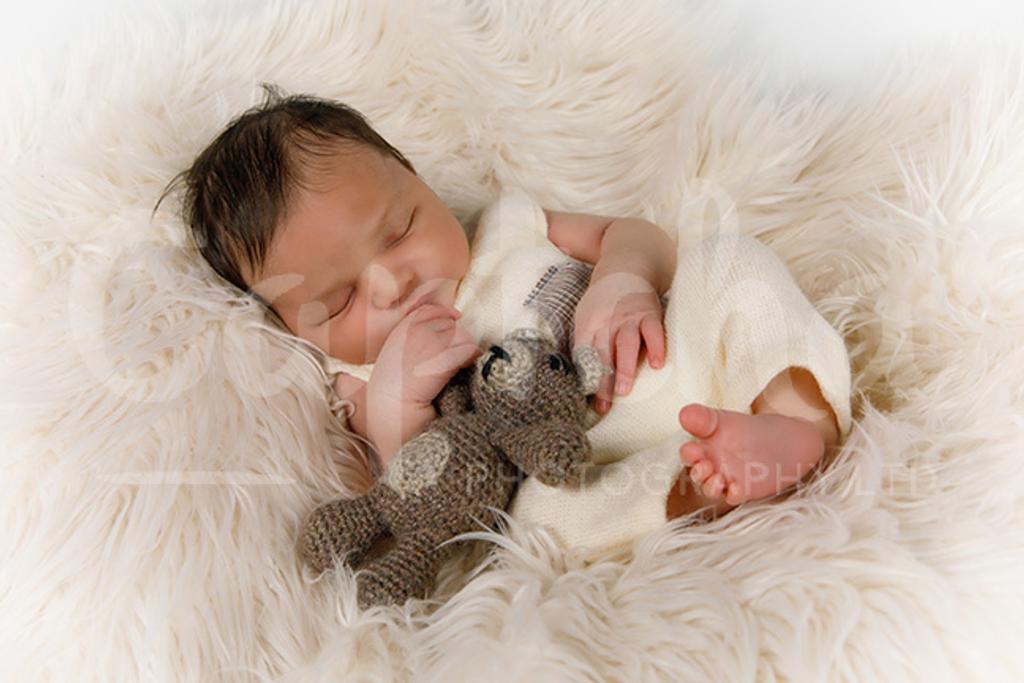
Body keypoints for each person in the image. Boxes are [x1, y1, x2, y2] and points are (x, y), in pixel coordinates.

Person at [160, 86, 851, 555]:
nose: (391, 281)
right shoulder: (359, 380)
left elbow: (634, 232)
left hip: (681, 368)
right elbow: (417, 498)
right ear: (291, 325)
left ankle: (792, 415)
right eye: (340, 301)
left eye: (399, 230)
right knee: (530, 525)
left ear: (416, 178)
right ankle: (697, 490)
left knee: (726, 259)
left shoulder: (507, 228)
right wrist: (398, 401)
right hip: (591, 472)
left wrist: (624, 278)